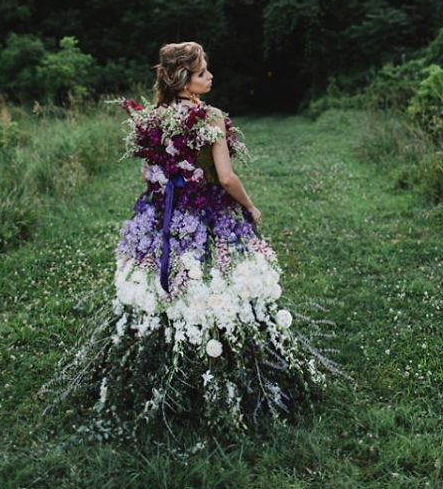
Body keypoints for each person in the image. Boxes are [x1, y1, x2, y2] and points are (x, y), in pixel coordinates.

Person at [40, 41, 327, 444]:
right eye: (202, 72)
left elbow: (146, 176)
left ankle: (160, 377)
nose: (210, 77)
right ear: (183, 80)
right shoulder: (210, 117)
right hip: (208, 212)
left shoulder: (153, 119)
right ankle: (232, 373)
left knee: (169, 290)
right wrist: (251, 207)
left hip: (164, 215)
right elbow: (226, 178)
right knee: (217, 283)